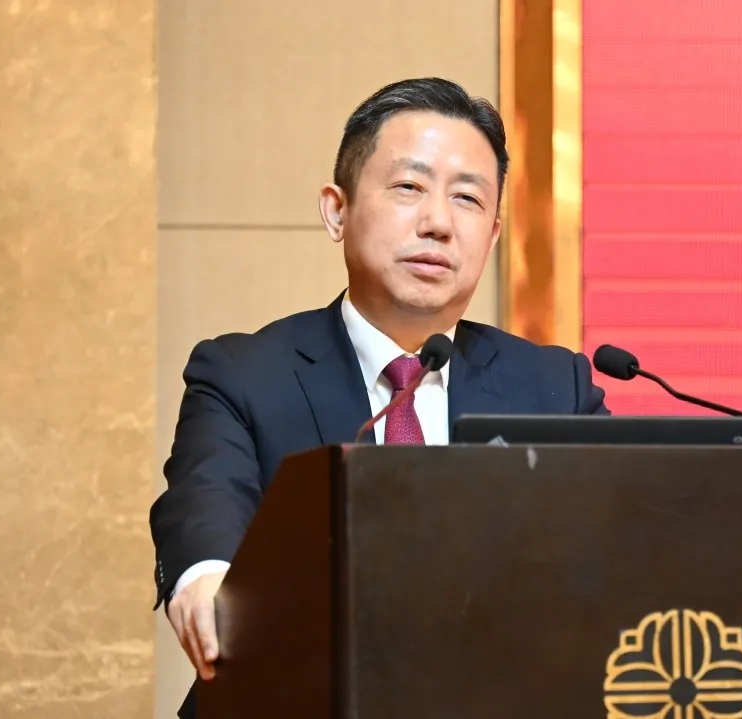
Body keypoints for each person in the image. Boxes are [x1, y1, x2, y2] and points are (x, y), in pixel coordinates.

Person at [148, 77, 609, 717]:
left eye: (467, 198)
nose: (439, 223)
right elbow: (206, 497)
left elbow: (616, 552)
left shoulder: (556, 389)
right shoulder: (243, 374)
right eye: (409, 187)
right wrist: (206, 580)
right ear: (336, 211)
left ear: (494, 233)